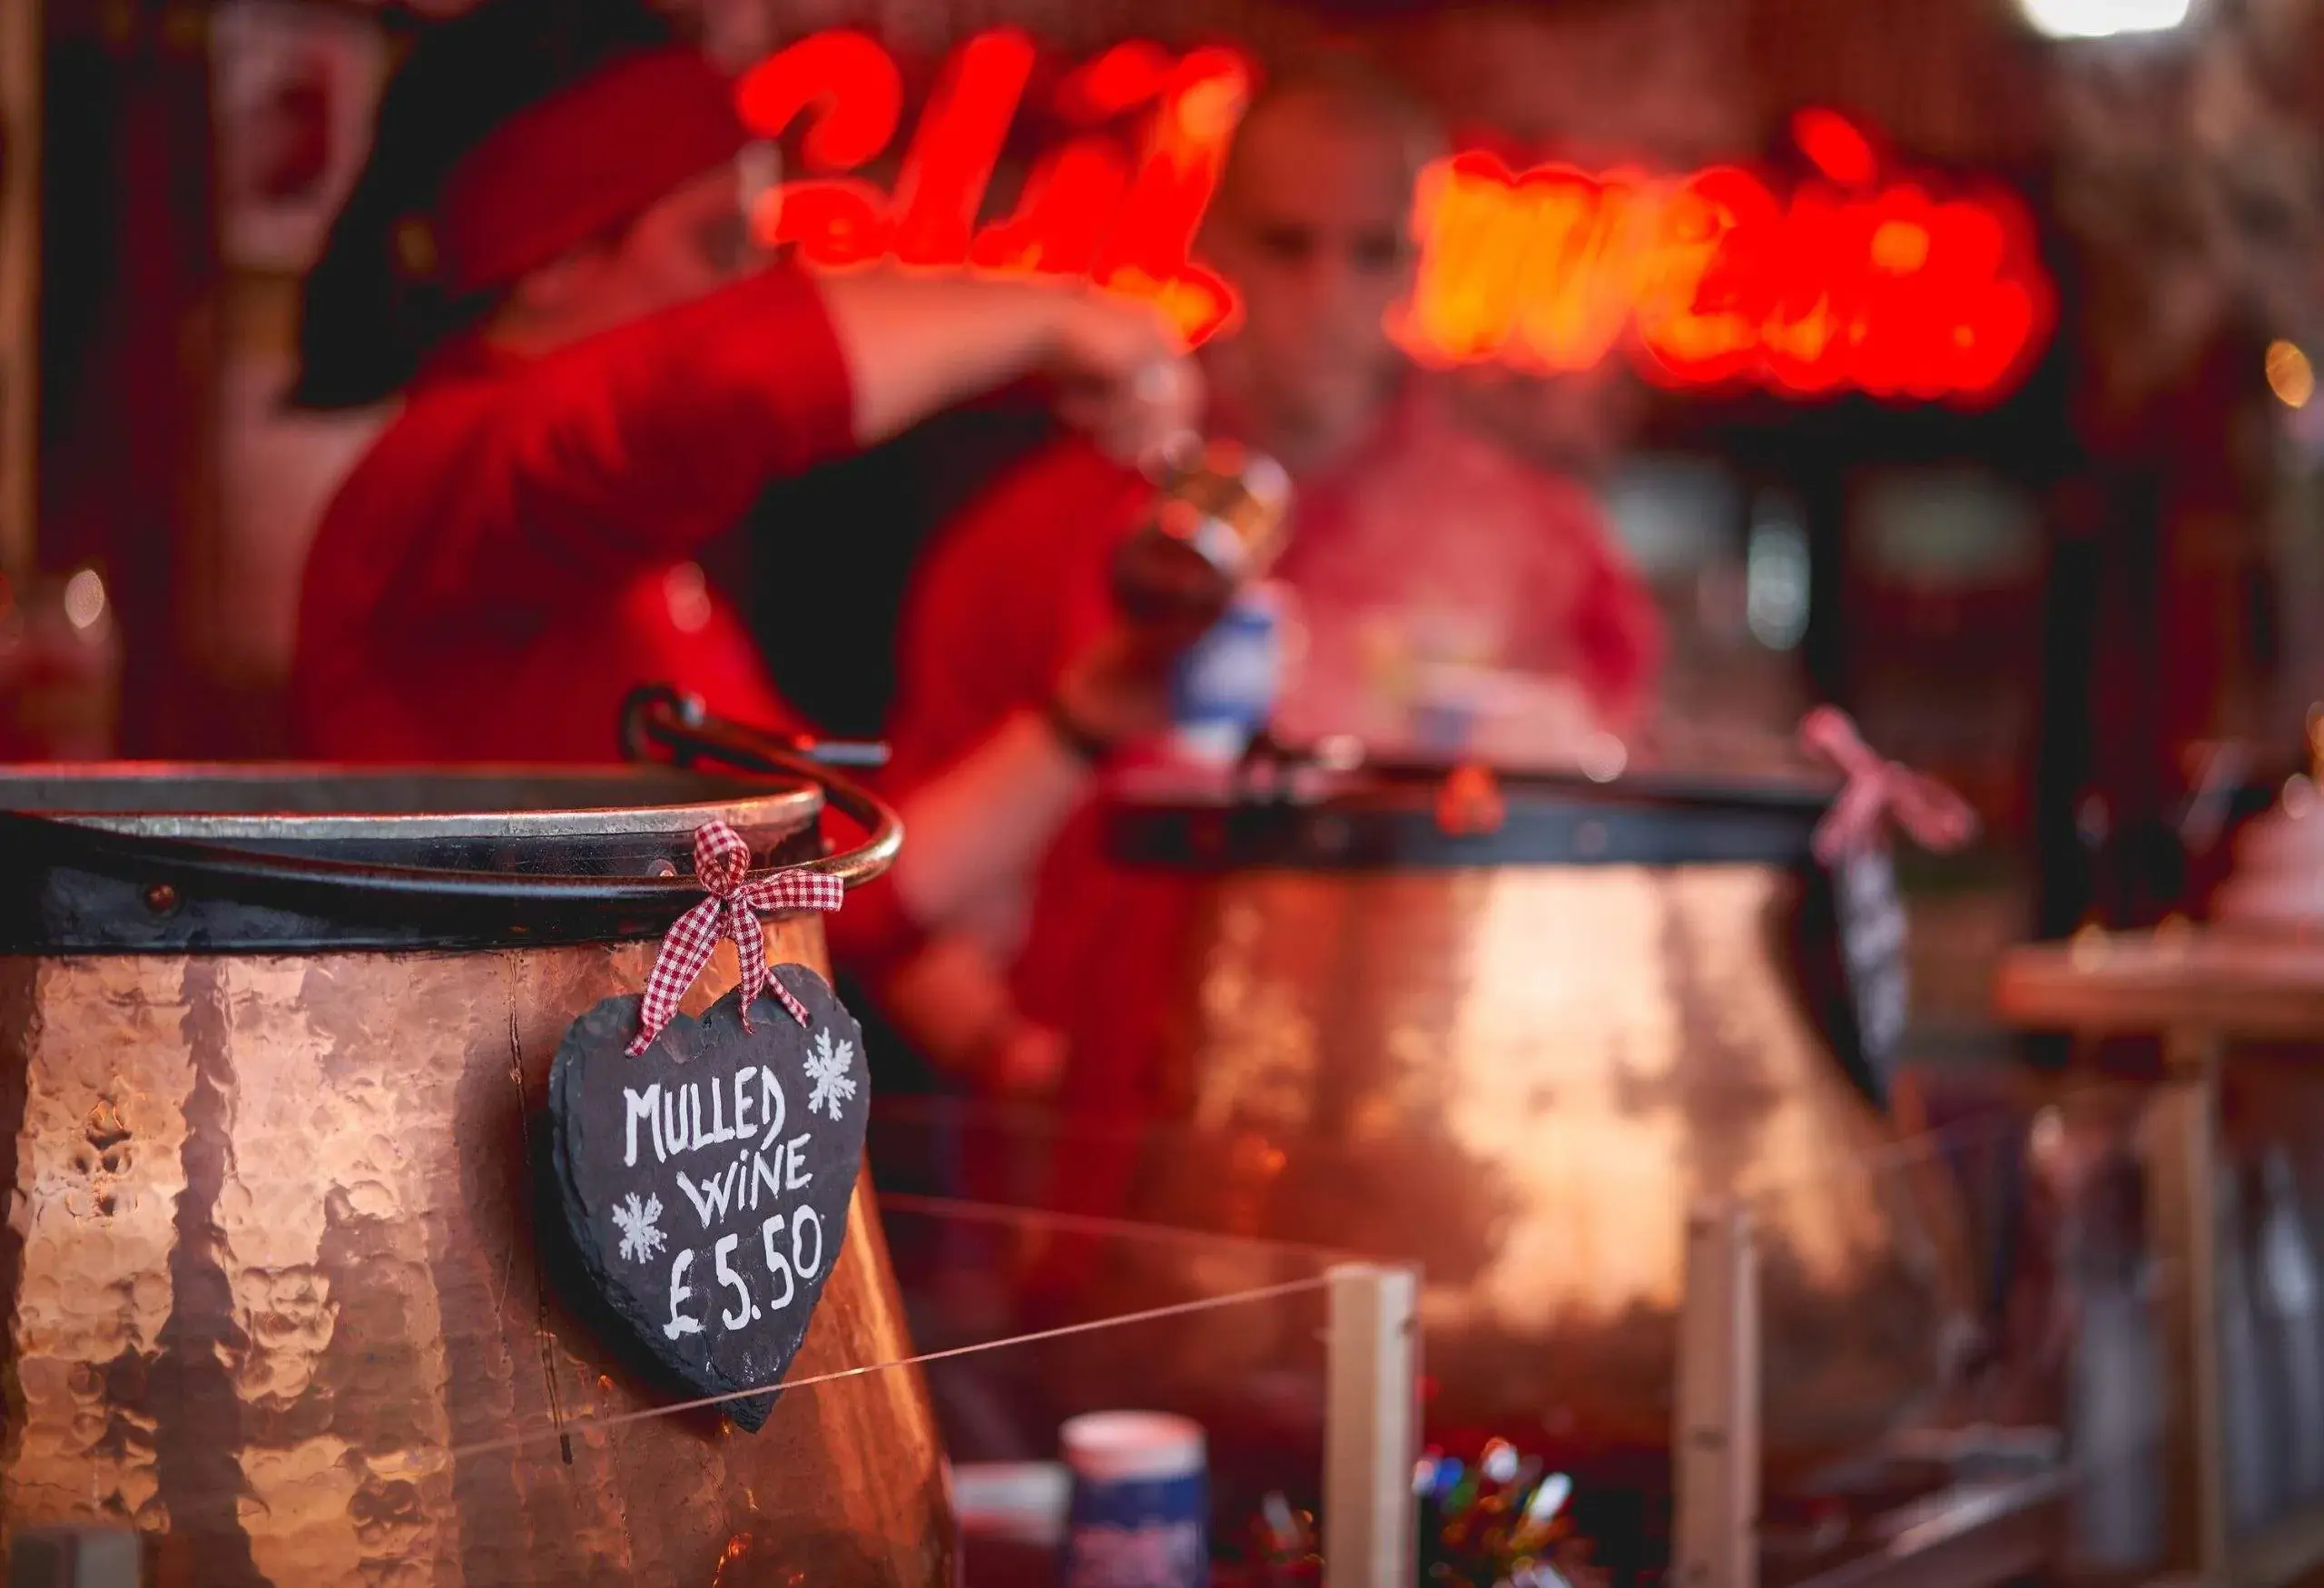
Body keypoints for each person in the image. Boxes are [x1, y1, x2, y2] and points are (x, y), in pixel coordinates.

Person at [865, 51, 1664, 1103]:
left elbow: (1625, 871)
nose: (1326, 293)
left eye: (1369, 251)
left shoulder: (1537, 544)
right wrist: (1012, 1069)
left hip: (1436, 1107)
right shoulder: (1042, 533)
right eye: (1289, 246)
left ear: (1419, 265)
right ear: (1214, 243)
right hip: (1118, 1134)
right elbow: (891, 887)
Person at [288, 0, 1198, 765]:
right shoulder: (443, 472)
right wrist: (1052, 312)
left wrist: (1083, 717)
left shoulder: (623, 570)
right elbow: (729, 378)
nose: (741, 294)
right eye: (715, 245)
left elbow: (848, 886)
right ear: (552, 261)